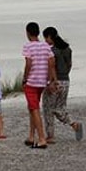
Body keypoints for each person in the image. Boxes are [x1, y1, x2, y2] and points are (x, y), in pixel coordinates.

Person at [42, 26, 83, 143]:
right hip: (66, 80)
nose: (45, 41)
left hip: (55, 81)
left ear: (50, 37)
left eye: (46, 38)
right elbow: (69, 65)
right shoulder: (67, 49)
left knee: (48, 109)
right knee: (60, 107)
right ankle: (73, 124)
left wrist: (51, 82)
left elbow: (51, 67)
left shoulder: (52, 51)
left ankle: (50, 135)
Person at [22, 21, 56, 149]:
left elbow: (28, 63)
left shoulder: (28, 46)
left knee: (34, 109)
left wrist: (25, 78)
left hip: (32, 81)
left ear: (28, 33)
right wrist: (50, 79)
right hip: (42, 82)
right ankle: (31, 136)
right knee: (32, 107)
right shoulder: (45, 46)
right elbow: (51, 62)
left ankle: (41, 138)